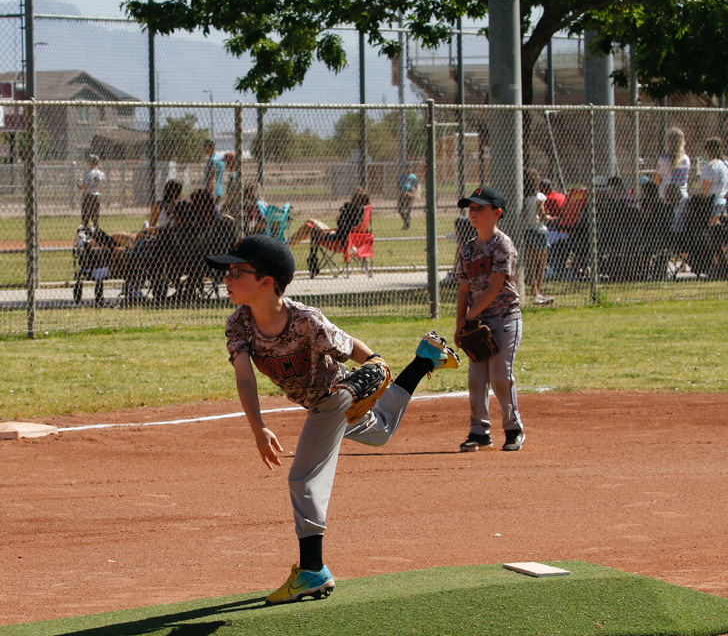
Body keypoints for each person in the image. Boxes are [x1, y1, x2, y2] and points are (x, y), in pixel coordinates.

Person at [204, 234, 459, 605]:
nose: (226, 278)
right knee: (381, 432)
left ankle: (312, 569)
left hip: (338, 395)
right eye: (227, 272)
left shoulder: (306, 320)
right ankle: (424, 360)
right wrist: (258, 427)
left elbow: (354, 348)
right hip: (322, 404)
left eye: (236, 272)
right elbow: (244, 377)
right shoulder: (239, 324)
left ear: (266, 281)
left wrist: (377, 362)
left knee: (303, 476)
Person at [454, 187, 525, 453]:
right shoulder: (468, 249)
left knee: (500, 376)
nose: (473, 212)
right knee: (476, 378)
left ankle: (513, 429)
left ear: (497, 213)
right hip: (476, 324)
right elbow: (463, 290)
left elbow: (495, 286)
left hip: (504, 319)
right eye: (471, 208)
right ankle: (479, 431)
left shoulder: (502, 245)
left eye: (480, 208)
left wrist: (470, 316)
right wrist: (461, 324)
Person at [521, 168, 552, 304]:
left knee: (531, 264)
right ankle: (538, 292)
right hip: (539, 231)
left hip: (527, 231)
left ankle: (534, 292)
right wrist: (549, 217)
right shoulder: (539, 197)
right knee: (541, 264)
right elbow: (541, 215)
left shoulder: (523, 198)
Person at [655, 127, 690, 233]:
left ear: (669, 142)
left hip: (667, 197)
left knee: (668, 226)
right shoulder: (686, 158)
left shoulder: (664, 159)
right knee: (681, 226)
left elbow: (657, 179)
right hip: (683, 196)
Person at [699, 137, 728, 223]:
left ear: (707, 151)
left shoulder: (710, 166)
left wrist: (700, 202)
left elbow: (705, 188)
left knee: (710, 225)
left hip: (711, 202)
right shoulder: (725, 164)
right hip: (722, 201)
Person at [79, 154, 105, 229]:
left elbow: (85, 187)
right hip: (96, 196)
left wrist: (79, 186)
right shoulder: (101, 174)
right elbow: (101, 189)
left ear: (91, 162)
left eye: (89, 161)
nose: (88, 163)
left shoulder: (87, 172)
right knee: (95, 218)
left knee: (85, 218)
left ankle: (85, 232)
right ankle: (96, 232)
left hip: (87, 196)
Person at [396, 163, 419, 229]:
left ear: (411, 168)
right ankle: (406, 220)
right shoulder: (402, 176)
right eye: (407, 167)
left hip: (410, 192)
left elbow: (416, 186)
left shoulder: (413, 177)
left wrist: (414, 194)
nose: (408, 169)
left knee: (408, 210)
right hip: (403, 192)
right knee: (400, 209)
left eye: (410, 167)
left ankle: (407, 224)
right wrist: (401, 192)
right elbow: (398, 184)